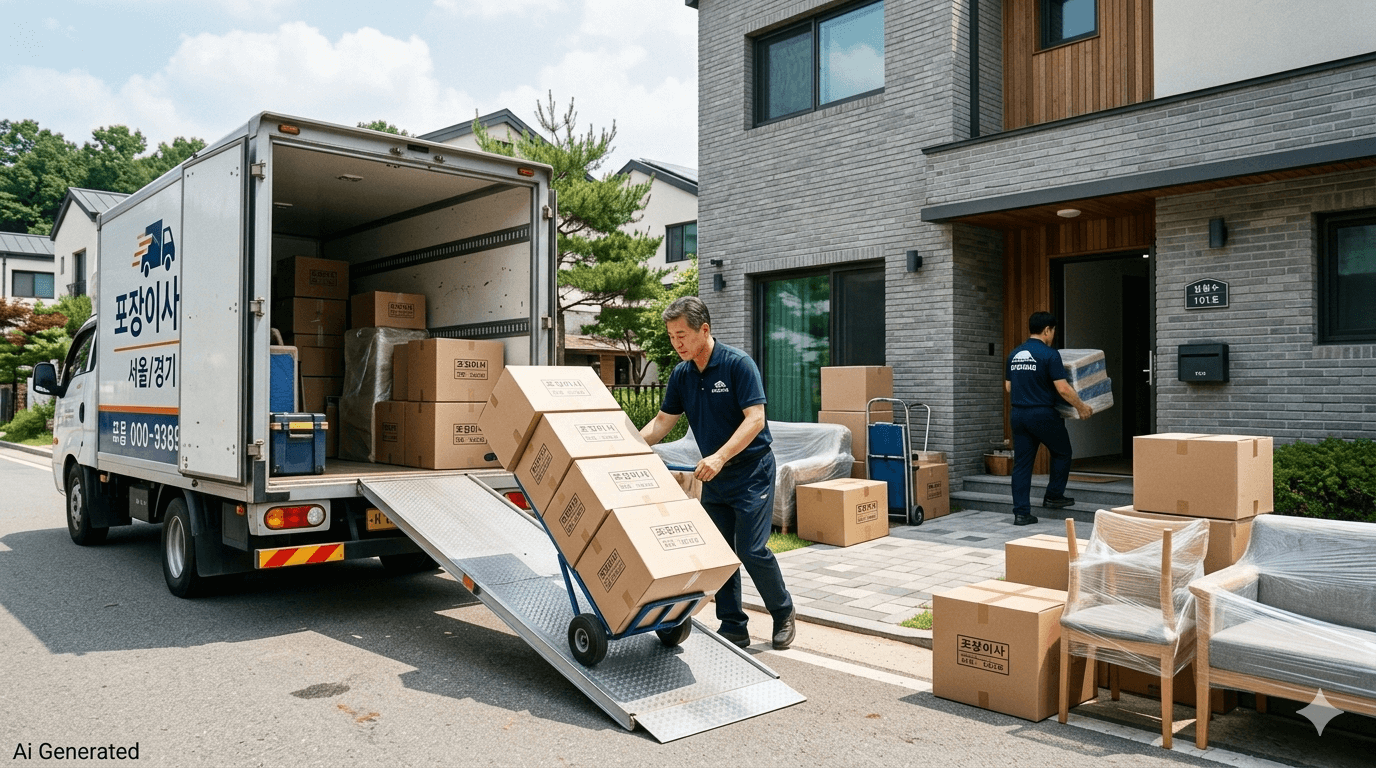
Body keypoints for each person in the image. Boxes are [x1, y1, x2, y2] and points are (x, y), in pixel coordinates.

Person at [640, 296, 796, 650]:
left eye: (682, 335)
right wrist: (628, 444)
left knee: (752, 549)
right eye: (671, 336)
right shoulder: (681, 375)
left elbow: (755, 419)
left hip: (750, 470)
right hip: (715, 475)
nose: (676, 343)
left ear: (704, 330)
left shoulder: (737, 365)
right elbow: (663, 421)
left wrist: (720, 457)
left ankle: (783, 612)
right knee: (719, 551)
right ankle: (733, 625)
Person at [1004, 311, 1093, 526]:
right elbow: (1063, 388)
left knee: (1022, 465)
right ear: (1047, 330)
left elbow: (1008, 387)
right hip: (1042, 414)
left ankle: (1022, 513)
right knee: (1062, 452)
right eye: (1052, 331)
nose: (1052, 335)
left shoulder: (1014, 354)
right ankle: (1053, 496)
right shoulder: (1050, 354)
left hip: (1018, 414)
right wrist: (1081, 407)